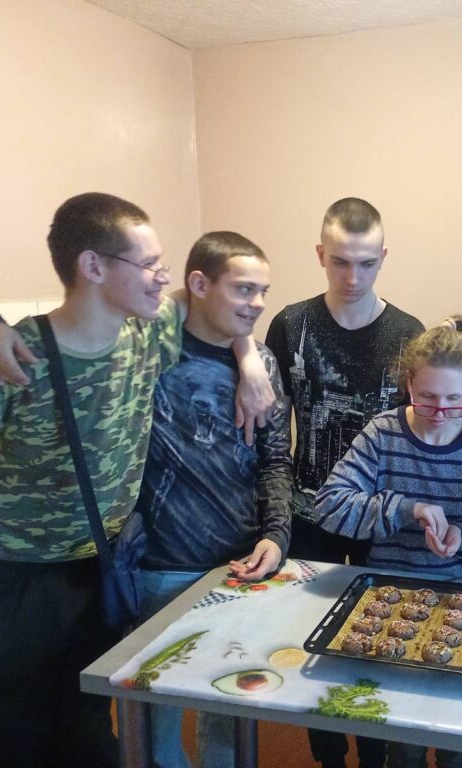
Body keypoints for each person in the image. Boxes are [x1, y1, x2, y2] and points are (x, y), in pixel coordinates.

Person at [0, 193, 184, 768]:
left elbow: (220, 297)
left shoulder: (150, 331)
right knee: (21, 746)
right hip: (11, 579)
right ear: (93, 266)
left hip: (97, 572)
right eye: (149, 263)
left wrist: (248, 360)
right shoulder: (8, 356)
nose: (162, 276)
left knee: (88, 735)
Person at [264, 197, 423, 768]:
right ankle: (329, 756)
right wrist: (275, 520)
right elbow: (272, 435)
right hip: (310, 515)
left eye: (366, 263)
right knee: (313, 640)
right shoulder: (291, 325)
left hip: (382, 518)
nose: (352, 277)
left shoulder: (408, 334)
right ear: (320, 255)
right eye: (339, 262)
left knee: (380, 642)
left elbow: (417, 435)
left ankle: (375, 754)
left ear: (384, 257)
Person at [314, 315, 462, 768]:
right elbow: (329, 506)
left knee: (459, 738)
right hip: (400, 591)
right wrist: (407, 508)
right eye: (427, 398)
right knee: (403, 741)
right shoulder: (382, 434)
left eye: (454, 400)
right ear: (408, 384)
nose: (440, 412)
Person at [134, 232, 293, 768]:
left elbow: (275, 461)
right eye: (244, 289)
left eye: (263, 291)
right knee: (153, 725)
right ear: (199, 285)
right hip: (159, 568)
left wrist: (276, 535)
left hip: (238, 569)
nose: (258, 303)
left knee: (227, 722)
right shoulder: (148, 351)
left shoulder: (263, 362)